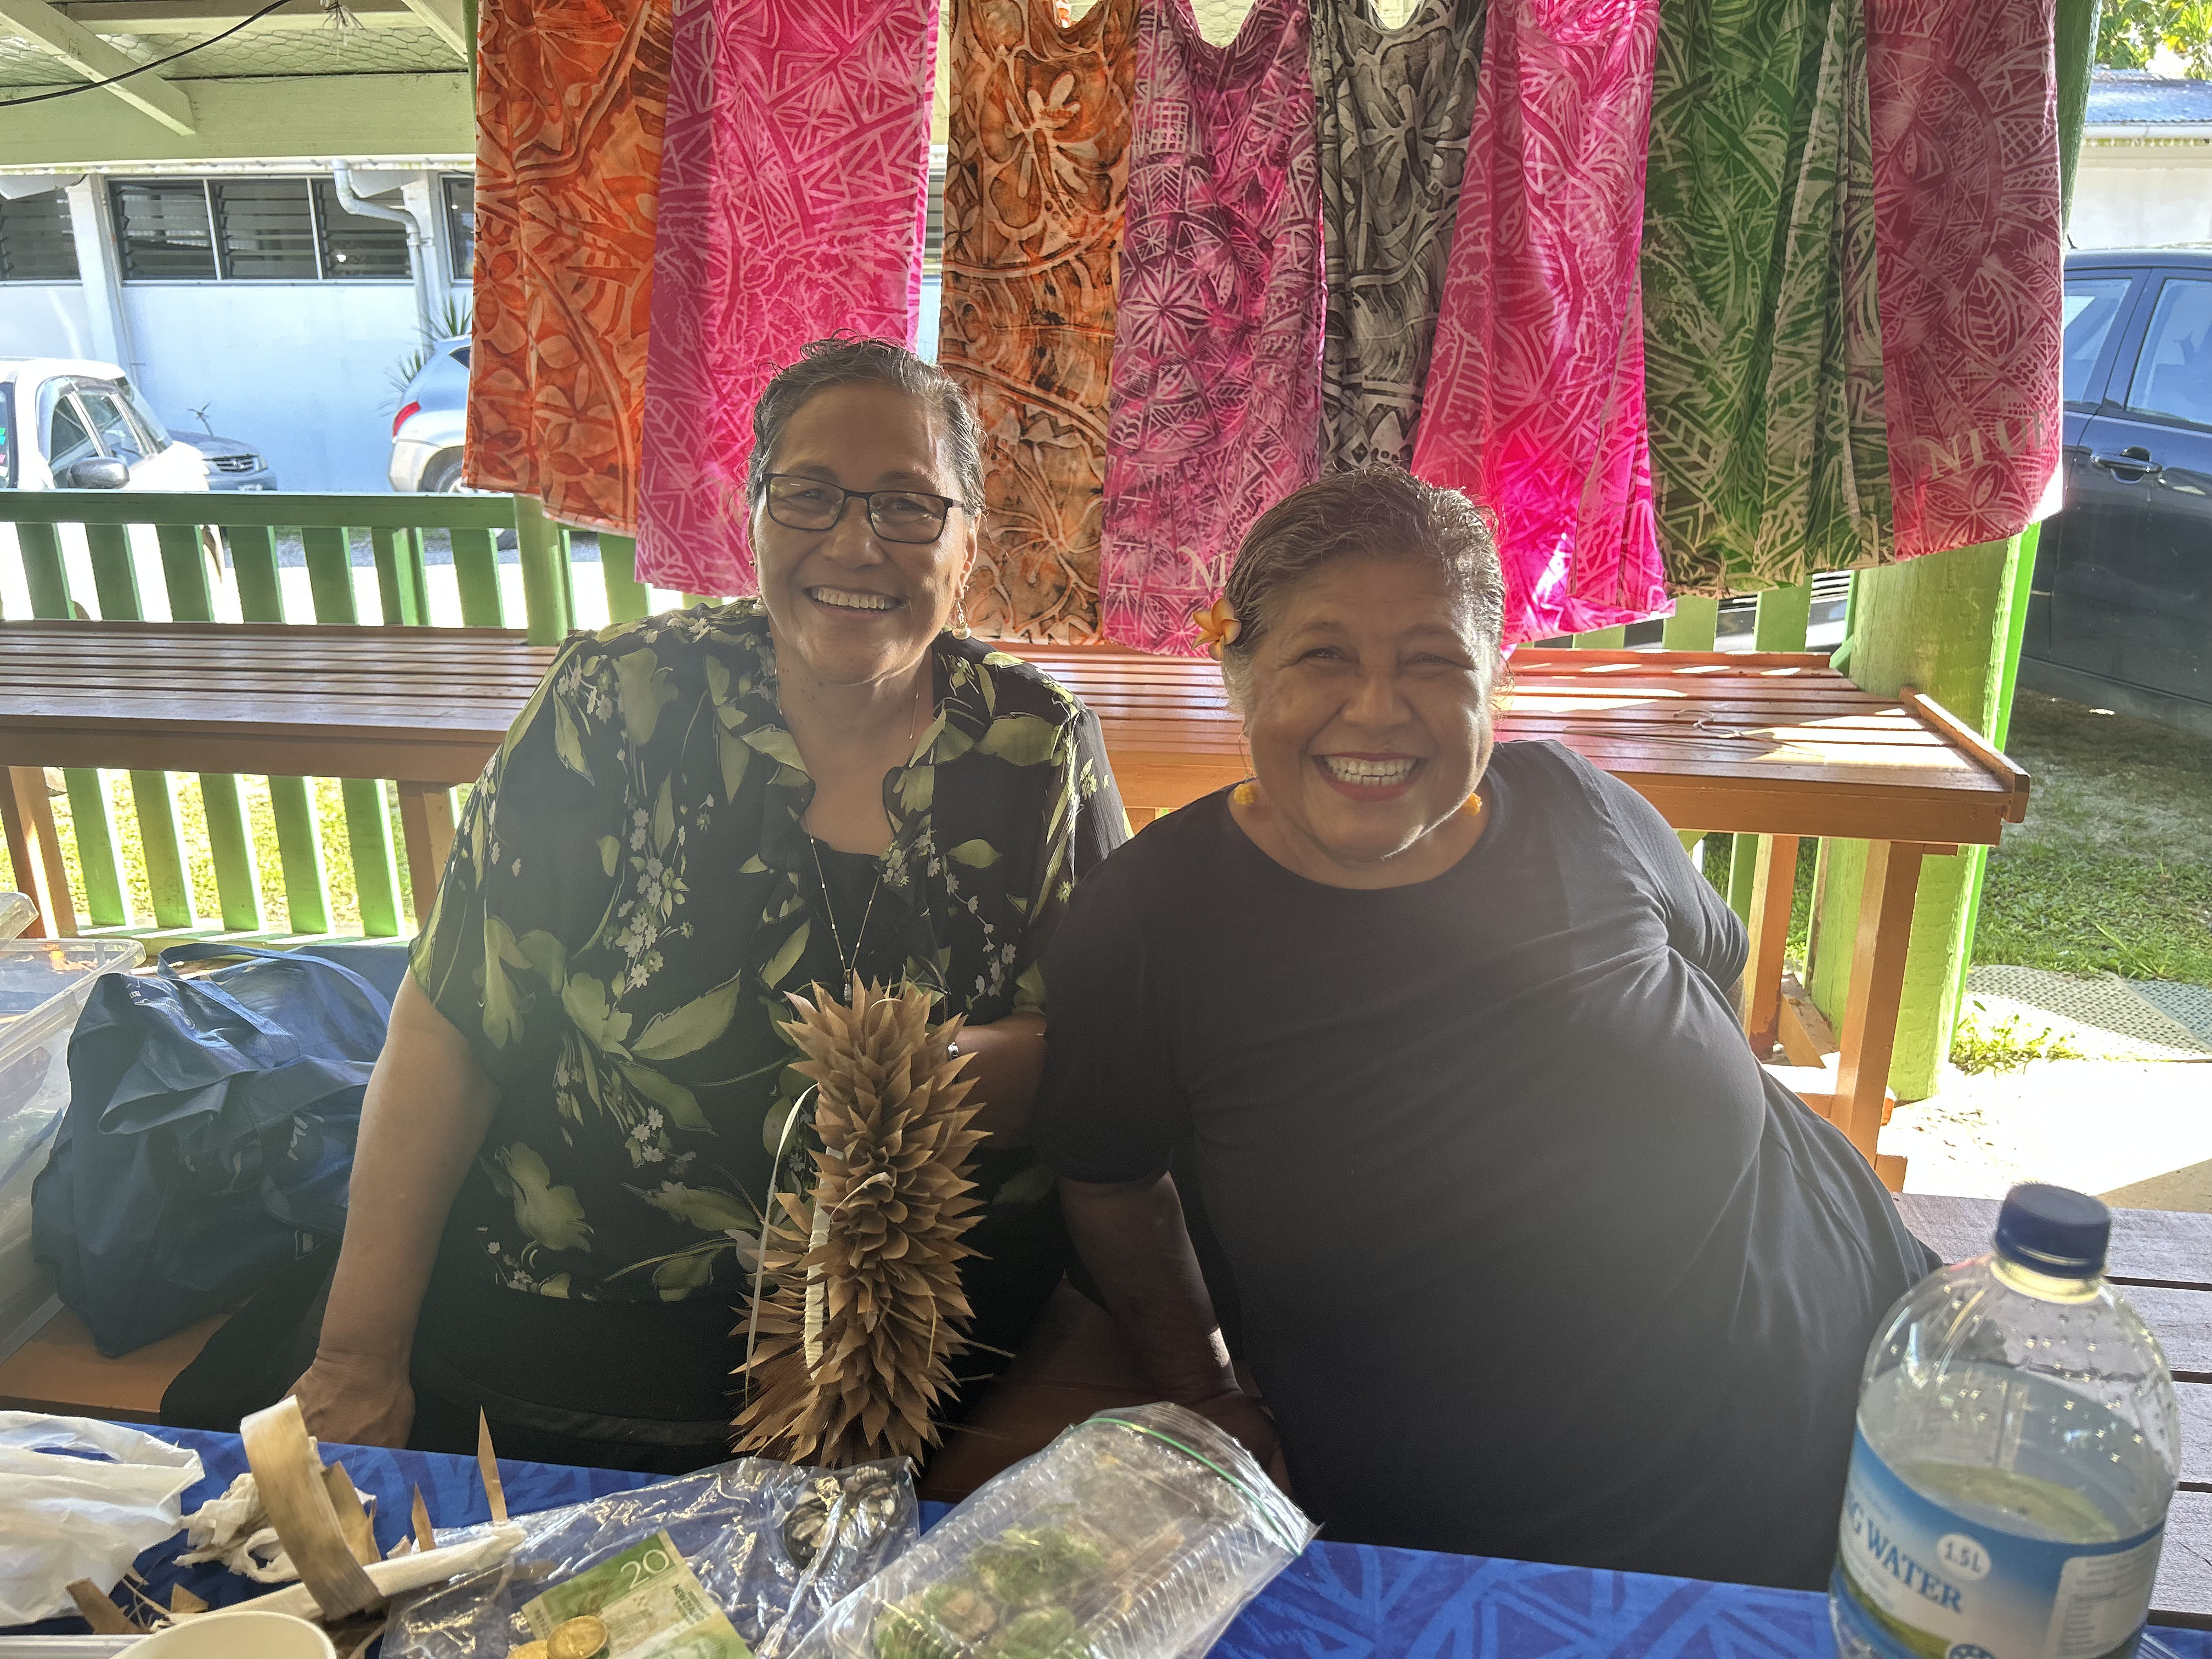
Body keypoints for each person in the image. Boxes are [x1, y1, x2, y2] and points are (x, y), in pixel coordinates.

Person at [164, 337, 1127, 1471]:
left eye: (910, 506)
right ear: (753, 515)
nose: (856, 541)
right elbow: (450, 1027)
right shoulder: (615, 707)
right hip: (586, 1268)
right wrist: (358, 1356)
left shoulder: (1034, 749)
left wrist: (945, 1066)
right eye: (811, 494)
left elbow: (1105, 1057)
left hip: (895, 1310)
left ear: (968, 545)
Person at [1032, 467, 1937, 1591]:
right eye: (1323, 656)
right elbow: (1110, 1181)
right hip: (1559, 1553)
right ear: (1240, 671)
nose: (1377, 708)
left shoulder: (1576, 805)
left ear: (1493, 685)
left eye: (1433, 661)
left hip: (1896, 1393)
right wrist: (1204, 1383)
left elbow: (1717, 965)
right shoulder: (1151, 920)